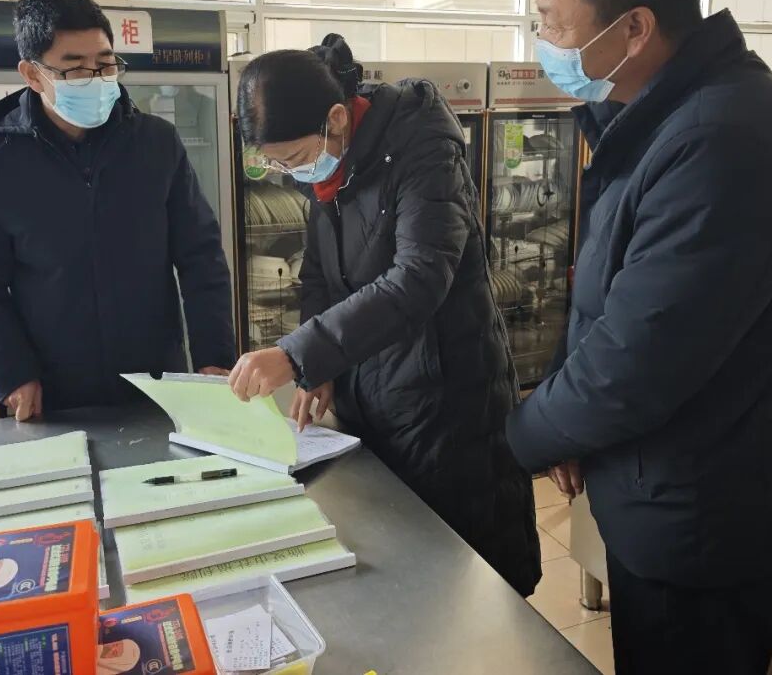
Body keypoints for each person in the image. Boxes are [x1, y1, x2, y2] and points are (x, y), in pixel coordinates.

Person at [504, 0, 772, 675]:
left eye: (553, 23)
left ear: (634, 28)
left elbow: (635, 362)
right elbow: (608, 298)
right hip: (669, 497)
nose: (542, 41)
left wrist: (520, 436)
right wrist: (570, 428)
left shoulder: (724, 144)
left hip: (706, 527)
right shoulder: (661, 119)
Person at [226, 35, 541, 596]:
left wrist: (297, 355)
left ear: (337, 118)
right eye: (275, 164)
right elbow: (319, 276)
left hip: (445, 400)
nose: (292, 174)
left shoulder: (423, 150)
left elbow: (418, 279)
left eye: (293, 159)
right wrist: (320, 366)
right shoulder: (330, 165)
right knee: (397, 571)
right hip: (371, 395)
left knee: (463, 582)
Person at [0, 0, 234, 420]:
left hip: (156, 380)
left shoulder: (155, 144)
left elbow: (201, 256)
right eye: (75, 68)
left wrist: (214, 356)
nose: (96, 79)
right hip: (52, 390)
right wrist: (12, 373)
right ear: (32, 74)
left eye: (105, 64)